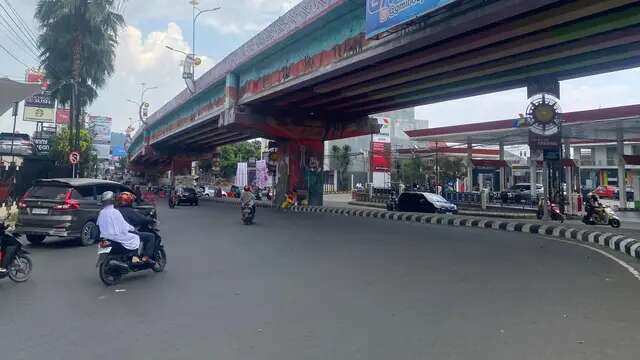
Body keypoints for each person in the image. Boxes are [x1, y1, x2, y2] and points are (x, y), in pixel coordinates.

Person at [96, 191, 144, 264]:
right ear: (113, 200)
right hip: (115, 237)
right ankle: (135, 257)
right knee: (135, 237)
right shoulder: (115, 212)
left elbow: (98, 224)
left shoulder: (101, 212)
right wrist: (132, 228)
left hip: (104, 237)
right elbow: (124, 226)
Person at [116, 192, 158, 263]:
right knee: (151, 236)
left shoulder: (115, 210)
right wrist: (150, 220)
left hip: (115, 234)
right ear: (129, 201)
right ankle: (146, 257)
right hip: (127, 234)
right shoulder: (129, 211)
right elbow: (141, 219)